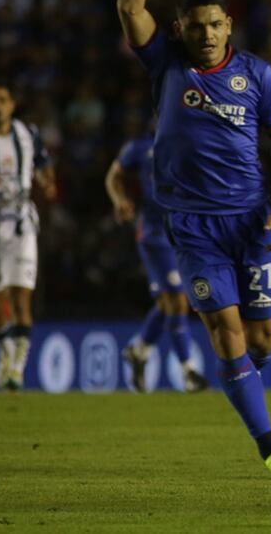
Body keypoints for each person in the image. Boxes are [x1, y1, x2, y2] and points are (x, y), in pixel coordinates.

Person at [117, 0, 271, 479]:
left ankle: (245, 376)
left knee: (261, 337)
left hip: (252, 220)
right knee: (225, 330)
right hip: (192, 226)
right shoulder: (165, 65)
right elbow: (129, 6)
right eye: (195, 25)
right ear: (180, 29)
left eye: (215, 24)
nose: (206, 33)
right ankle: (270, 446)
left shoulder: (258, 76)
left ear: (229, 27)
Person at [106, 131, 208, 393]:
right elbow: (114, 176)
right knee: (177, 298)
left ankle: (139, 350)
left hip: (186, 233)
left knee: (167, 303)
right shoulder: (140, 146)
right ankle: (188, 371)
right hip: (154, 233)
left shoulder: (193, 141)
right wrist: (120, 200)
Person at [0, 84, 56, 391]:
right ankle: (5, 350)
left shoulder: (26, 133)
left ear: (12, 105)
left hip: (20, 222)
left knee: (21, 295)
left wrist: (47, 182)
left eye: (2, 101)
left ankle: (17, 366)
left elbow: (43, 163)